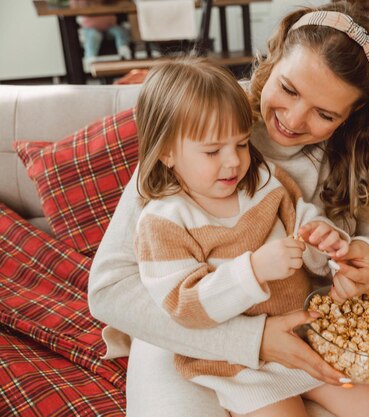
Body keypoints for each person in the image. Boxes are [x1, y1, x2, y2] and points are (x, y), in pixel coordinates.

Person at [89, 1, 369, 416]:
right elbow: (109, 290)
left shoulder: (347, 157)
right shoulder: (202, 121)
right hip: (187, 337)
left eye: (324, 113)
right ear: (274, 56)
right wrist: (252, 338)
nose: (294, 120)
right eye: (288, 89)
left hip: (298, 322)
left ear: (351, 113)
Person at [133, 58, 352, 415]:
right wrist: (252, 270)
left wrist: (322, 241)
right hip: (237, 365)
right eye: (212, 151)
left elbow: (301, 220)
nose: (233, 162)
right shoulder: (164, 222)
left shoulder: (266, 179)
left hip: (306, 339)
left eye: (240, 144)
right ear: (167, 152)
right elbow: (184, 307)